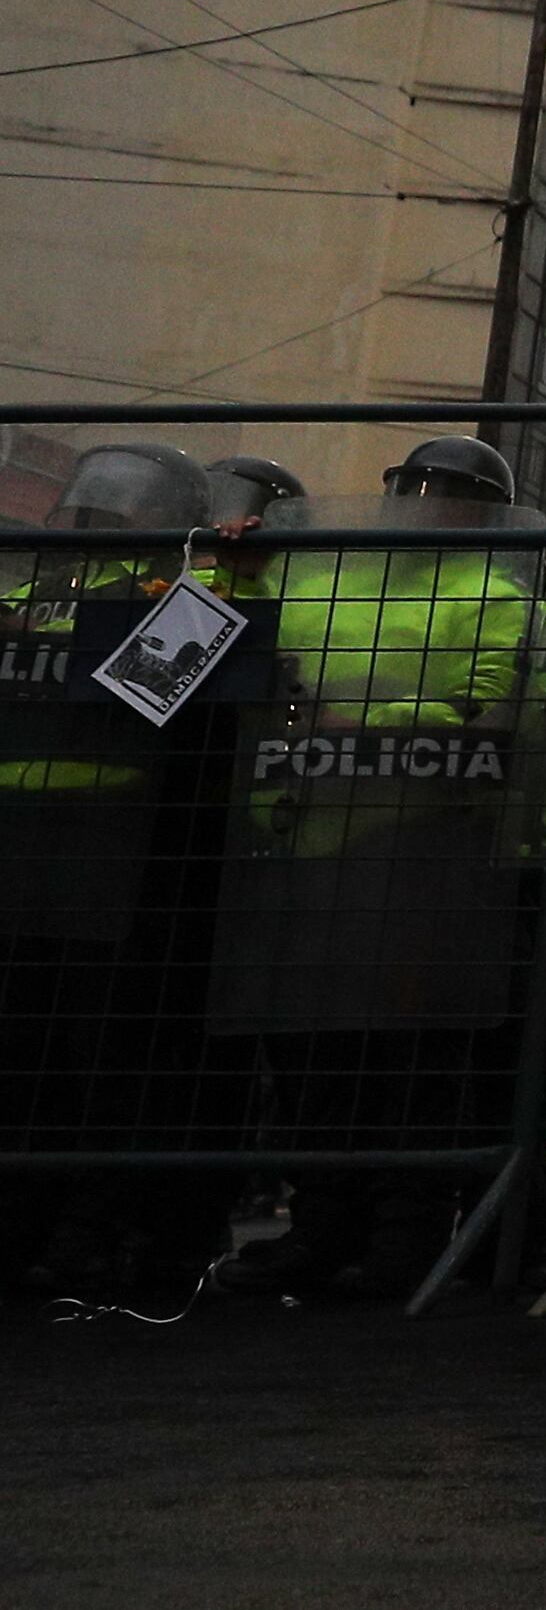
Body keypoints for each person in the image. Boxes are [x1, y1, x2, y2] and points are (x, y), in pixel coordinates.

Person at [210, 436, 540, 1300]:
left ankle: (403, 1236)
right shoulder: (321, 573)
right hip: (304, 839)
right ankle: (326, 1226)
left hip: (418, 849)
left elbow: (490, 707)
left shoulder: (494, 595)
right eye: (419, 489)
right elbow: (249, 652)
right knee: (313, 1054)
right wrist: (243, 577)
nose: (428, 508)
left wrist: (366, 726)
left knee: (409, 1058)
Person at [2, 443, 230, 1293]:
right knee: (24, 1060)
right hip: (24, 853)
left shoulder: (180, 597)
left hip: (112, 856)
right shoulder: (29, 588)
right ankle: (28, 1225)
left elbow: (151, 685)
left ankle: (91, 1226)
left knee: (103, 1063)